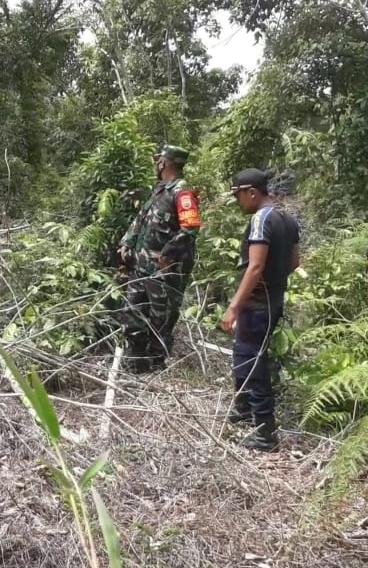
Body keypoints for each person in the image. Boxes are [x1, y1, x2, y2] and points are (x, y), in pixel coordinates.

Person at [221, 168, 299, 451]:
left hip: (256, 304)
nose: (238, 201)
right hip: (273, 300)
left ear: (251, 192)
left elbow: (254, 266)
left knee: (252, 362)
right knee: (244, 355)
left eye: (239, 195)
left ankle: (265, 433)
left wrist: (233, 307)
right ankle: (243, 409)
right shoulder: (287, 219)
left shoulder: (260, 219)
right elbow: (294, 262)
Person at [117, 145, 201, 372]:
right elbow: (141, 220)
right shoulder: (159, 190)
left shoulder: (182, 193)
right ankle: (134, 367)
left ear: (164, 163)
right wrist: (126, 243)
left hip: (164, 273)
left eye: (158, 161)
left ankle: (154, 371)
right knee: (133, 316)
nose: (156, 165)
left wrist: (167, 256)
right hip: (141, 268)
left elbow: (190, 229)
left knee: (160, 321)